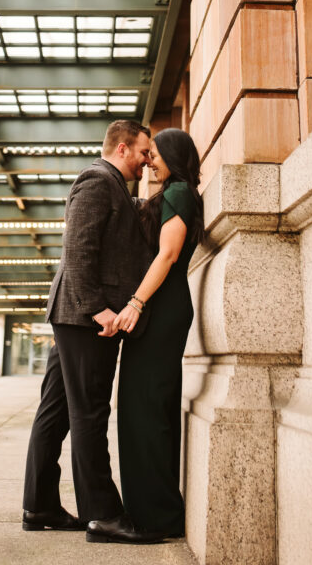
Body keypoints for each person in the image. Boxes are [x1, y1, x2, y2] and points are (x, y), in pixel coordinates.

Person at [22, 119, 163, 545]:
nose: (146, 161)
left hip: (75, 317)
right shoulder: (96, 180)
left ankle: (40, 505)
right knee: (90, 414)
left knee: (57, 411)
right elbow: (78, 251)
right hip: (85, 319)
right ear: (122, 148)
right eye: (143, 153)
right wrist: (100, 310)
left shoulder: (116, 187)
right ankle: (102, 514)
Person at [106, 128, 203, 540]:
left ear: (175, 157)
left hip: (161, 308)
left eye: (156, 154)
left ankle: (158, 514)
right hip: (157, 308)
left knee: (147, 407)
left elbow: (168, 254)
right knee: (141, 406)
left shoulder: (180, 191)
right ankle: (149, 509)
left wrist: (136, 303)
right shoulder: (169, 193)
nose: (150, 160)